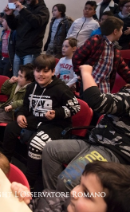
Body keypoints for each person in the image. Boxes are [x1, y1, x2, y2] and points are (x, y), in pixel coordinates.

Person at [41, 64, 130, 194]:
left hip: (114, 151)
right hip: (95, 141)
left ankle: (67, 205)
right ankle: (54, 200)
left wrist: (86, 72)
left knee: (67, 180)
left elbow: (97, 101)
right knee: (50, 149)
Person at [2, 54, 80, 188]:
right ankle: (4, 165)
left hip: (56, 124)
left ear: (53, 71)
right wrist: (20, 114)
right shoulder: (31, 87)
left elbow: (75, 107)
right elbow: (25, 106)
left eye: (45, 71)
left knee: (36, 143)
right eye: (38, 71)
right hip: (35, 120)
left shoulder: (61, 88)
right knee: (10, 128)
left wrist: (57, 113)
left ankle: (29, 182)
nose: (41, 75)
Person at [12, 161, 130, 212]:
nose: (73, 192)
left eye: (87, 194)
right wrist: (21, 202)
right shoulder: (51, 199)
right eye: (80, 184)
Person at [73, 16, 130, 95]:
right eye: (121, 30)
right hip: (89, 85)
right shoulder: (95, 41)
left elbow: (123, 69)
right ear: (115, 31)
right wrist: (80, 74)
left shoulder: (115, 49)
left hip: (105, 87)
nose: (122, 32)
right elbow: (77, 57)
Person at [0, 64, 34, 142]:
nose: (18, 78)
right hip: (5, 107)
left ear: (29, 81)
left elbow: (25, 101)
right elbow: (4, 91)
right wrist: (9, 82)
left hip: (14, 112)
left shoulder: (30, 89)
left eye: (21, 76)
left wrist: (13, 105)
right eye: (18, 75)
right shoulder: (16, 84)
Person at [5, 0, 50, 76]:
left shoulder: (43, 10)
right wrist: (9, 15)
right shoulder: (26, 9)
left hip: (31, 52)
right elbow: (14, 26)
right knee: (16, 79)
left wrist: (22, 10)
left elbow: (37, 22)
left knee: (27, 79)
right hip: (18, 50)